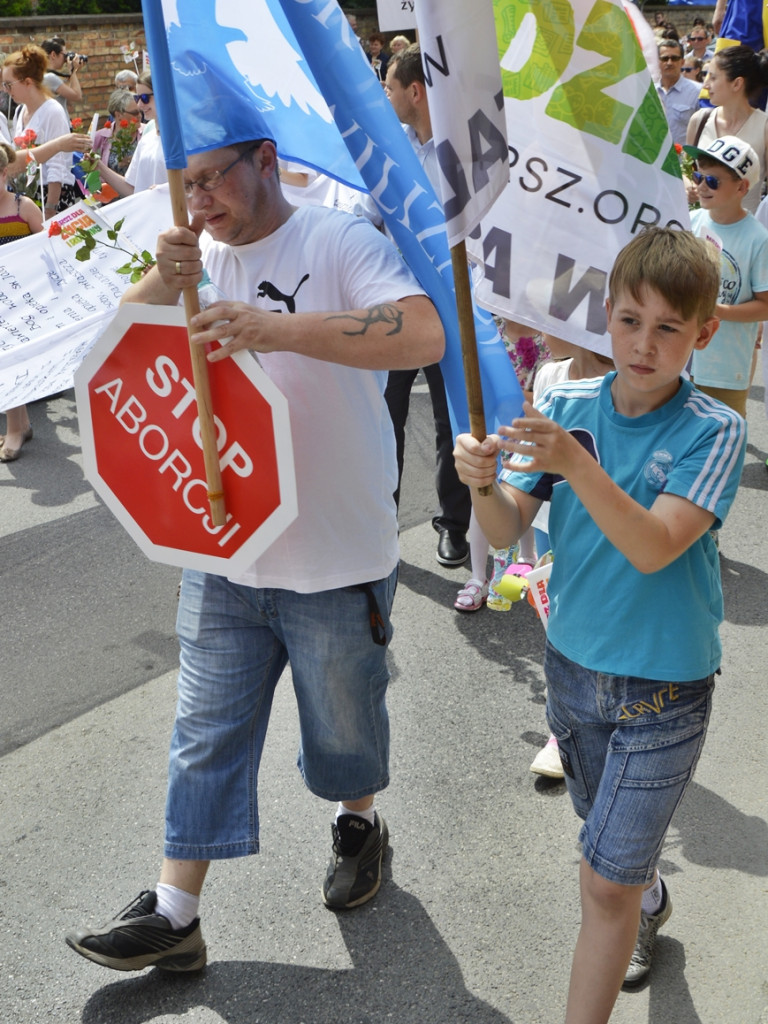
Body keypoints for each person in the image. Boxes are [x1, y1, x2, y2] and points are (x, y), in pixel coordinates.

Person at [64, 133, 444, 971]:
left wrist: (276, 329)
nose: (198, 201)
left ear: (266, 161)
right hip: (227, 551)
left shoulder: (338, 240)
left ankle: (358, 823)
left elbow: (421, 335)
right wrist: (164, 277)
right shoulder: (192, 255)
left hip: (337, 550)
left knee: (346, 726)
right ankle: (175, 910)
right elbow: (111, 357)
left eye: (213, 180)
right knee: (203, 730)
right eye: (185, 183)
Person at [453, 226, 746, 1023]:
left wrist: (575, 462)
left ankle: (628, 907)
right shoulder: (566, 402)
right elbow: (509, 527)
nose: (643, 345)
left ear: (704, 334)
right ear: (604, 318)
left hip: (666, 689)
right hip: (572, 669)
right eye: (627, 321)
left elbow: (654, 547)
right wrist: (480, 480)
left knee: (601, 878)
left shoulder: (714, 431)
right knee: (610, 846)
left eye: (668, 328)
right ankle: (647, 899)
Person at [383, 44, 472, 567]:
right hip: (395, 301)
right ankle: (380, 522)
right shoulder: (390, 146)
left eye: (391, 87)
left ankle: (454, 526)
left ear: (415, 91)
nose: (385, 96)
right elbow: (366, 209)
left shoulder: (463, 150)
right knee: (384, 416)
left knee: (451, 419)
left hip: (450, 302)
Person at [683, 135, 768, 418]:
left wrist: (715, 310)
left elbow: (765, 305)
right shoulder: (691, 222)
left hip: (725, 368)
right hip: (681, 357)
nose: (701, 186)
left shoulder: (758, 239)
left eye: (713, 181)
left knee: (723, 439)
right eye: (698, 176)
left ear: (742, 187)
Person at [0, 140, 43, 462]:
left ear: (4, 172)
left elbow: (47, 252)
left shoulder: (22, 206)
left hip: (20, 301)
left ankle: (16, 428)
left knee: (11, 360)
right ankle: (22, 424)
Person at [686, 46, 768, 215]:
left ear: (737, 83)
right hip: (703, 230)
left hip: (749, 232)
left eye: (713, 78)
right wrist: (688, 185)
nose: (706, 85)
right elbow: (687, 170)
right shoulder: (699, 121)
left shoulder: (764, 126)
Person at [2, 45, 76, 216]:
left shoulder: (52, 111)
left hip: (51, 196)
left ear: (27, 82)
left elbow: (57, 165)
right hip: (28, 194)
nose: (5, 90)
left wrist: (50, 208)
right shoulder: (21, 111)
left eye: (9, 84)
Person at [87, 72, 166, 196]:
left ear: (162, 94)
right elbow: (132, 189)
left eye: (145, 98)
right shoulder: (147, 139)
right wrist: (99, 167)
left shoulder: (181, 139)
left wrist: (165, 190)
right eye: (137, 98)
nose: (140, 105)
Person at [655, 39, 701, 145]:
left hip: (684, 160)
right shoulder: (650, 92)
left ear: (682, 62)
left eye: (674, 58)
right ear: (658, 62)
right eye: (665, 58)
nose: (669, 63)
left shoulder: (697, 92)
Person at [40, 38, 83, 115]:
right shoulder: (50, 78)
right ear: (53, 55)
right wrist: (73, 72)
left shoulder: (43, 75)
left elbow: (69, 100)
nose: (65, 59)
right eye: (64, 55)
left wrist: (72, 74)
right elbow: (77, 96)